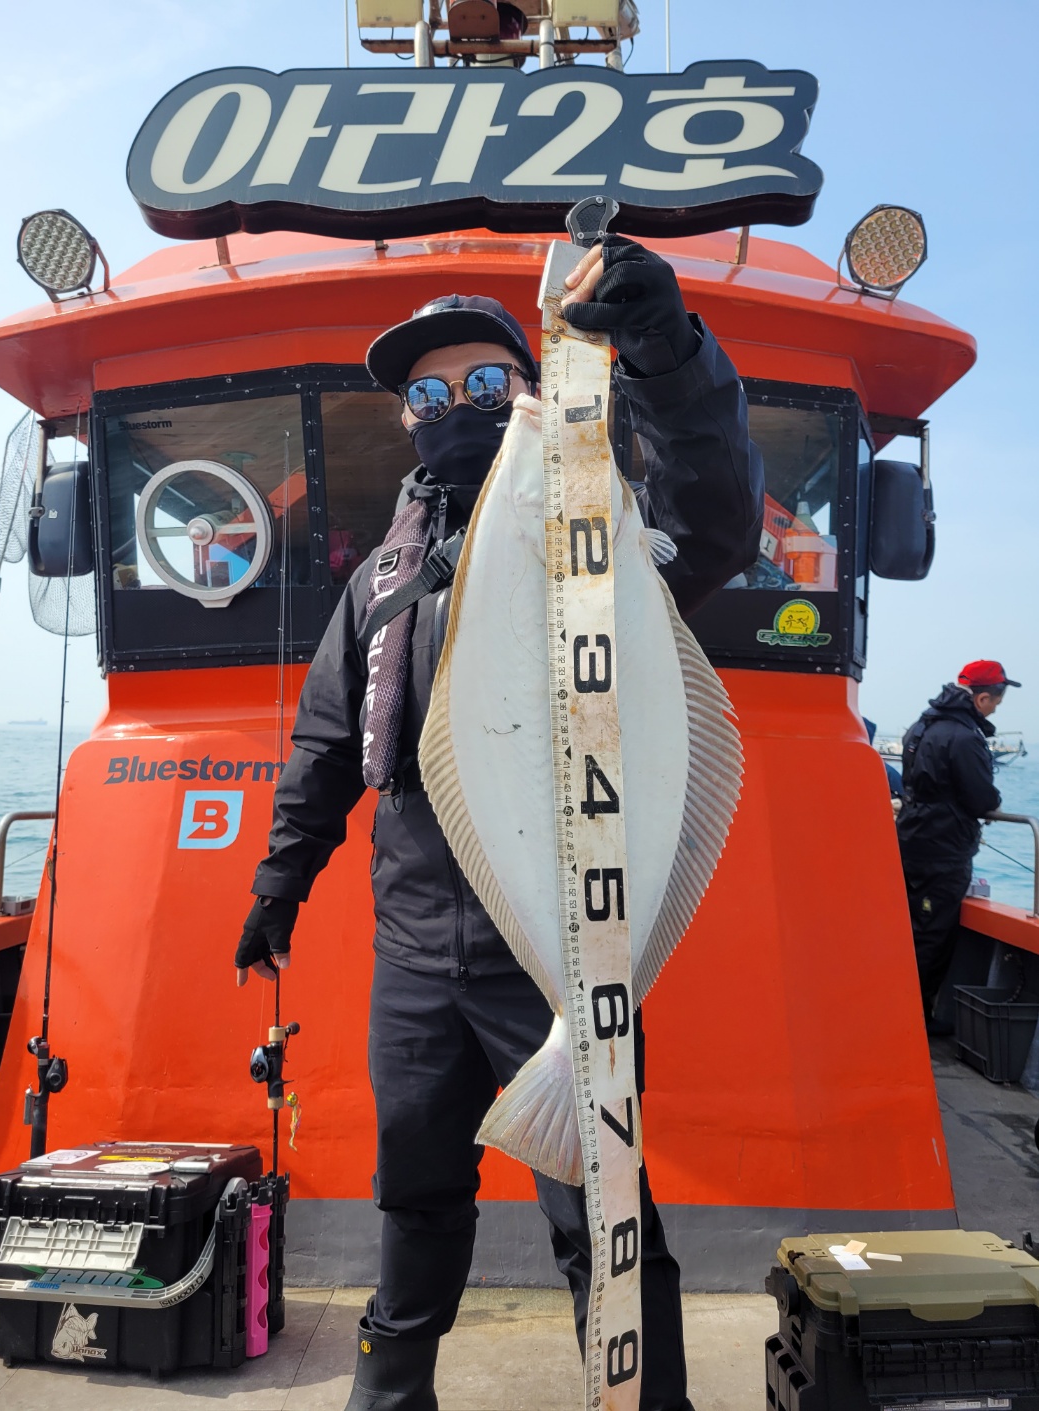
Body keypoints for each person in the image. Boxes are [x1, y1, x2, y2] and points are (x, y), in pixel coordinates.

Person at [234, 236, 764, 1411]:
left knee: (603, 1206)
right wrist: (279, 881)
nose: (453, 408)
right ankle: (390, 1396)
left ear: (531, 393)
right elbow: (326, 741)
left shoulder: (598, 535)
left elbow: (716, 515)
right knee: (414, 1197)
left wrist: (664, 350)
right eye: (425, 396)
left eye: (483, 383)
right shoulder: (379, 579)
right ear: (405, 422)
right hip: (416, 948)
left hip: (566, 942)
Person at [897, 660, 1020, 1033]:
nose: (995, 709)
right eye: (996, 702)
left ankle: (898, 1010)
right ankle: (914, 1020)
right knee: (932, 933)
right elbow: (981, 797)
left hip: (910, 839)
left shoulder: (922, 725)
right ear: (982, 698)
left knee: (907, 928)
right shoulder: (965, 737)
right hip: (943, 850)